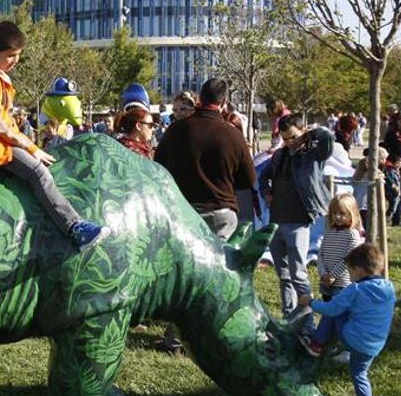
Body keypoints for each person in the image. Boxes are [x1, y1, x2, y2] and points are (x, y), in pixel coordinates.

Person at [0, 20, 109, 250]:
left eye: (18, 55)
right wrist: (32, 148)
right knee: (39, 173)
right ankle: (74, 227)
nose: (15, 61)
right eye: (10, 55)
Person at [298, 243, 394, 396]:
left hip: (354, 339)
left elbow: (330, 309)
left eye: (350, 271)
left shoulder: (354, 290)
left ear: (358, 270)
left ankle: (316, 343)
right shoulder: (389, 287)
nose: (349, 275)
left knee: (334, 310)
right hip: (375, 344)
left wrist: (311, 302)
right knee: (359, 374)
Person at [155, 78, 255, 241]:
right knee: (220, 263)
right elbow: (248, 180)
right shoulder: (232, 135)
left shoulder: (175, 131)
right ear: (224, 102)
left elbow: (158, 169)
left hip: (184, 210)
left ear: (200, 99)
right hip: (221, 211)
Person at [258, 114, 332, 319]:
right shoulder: (280, 155)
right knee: (283, 275)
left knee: (298, 274)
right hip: (276, 222)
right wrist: (266, 191)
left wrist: (310, 133)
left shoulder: (312, 153)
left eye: (293, 137)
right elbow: (264, 176)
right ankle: (288, 317)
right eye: (285, 138)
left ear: (303, 132)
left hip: (298, 222)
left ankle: (306, 321)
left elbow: (327, 139)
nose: (289, 142)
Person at [316, 193, 363, 361]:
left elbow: (348, 259)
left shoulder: (352, 235)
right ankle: (330, 343)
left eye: (342, 213)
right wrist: (323, 273)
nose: (337, 217)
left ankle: (347, 348)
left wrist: (333, 276)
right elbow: (320, 254)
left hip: (342, 284)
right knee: (331, 313)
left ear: (352, 214)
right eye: (334, 213)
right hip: (326, 283)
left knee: (339, 317)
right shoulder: (329, 233)